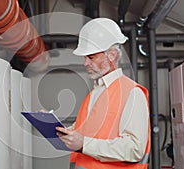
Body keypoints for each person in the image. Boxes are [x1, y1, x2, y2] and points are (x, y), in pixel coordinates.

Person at [55, 18, 151, 169]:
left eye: (91, 57)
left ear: (111, 55)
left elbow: (134, 149)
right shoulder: (94, 94)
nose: (85, 63)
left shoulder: (132, 93)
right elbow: (85, 132)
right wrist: (59, 130)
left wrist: (84, 143)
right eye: (85, 58)